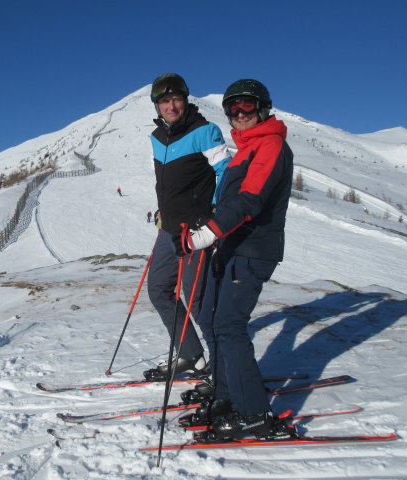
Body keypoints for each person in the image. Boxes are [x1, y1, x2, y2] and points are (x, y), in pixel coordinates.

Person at [174, 79, 294, 440]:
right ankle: (226, 397)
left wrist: (206, 235)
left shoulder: (271, 144)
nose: (239, 114)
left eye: (247, 106)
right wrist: (207, 225)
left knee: (229, 326)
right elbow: (230, 202)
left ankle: (254, 414)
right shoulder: (244, 148)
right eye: (232, 108)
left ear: (264, 107)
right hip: (230, 247)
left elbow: (250, 201)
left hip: (252, 250)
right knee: (212, 321)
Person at [144, 73, 232, 381]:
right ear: (157, 106)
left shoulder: (205, 132)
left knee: (197, 301)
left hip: (196, 233)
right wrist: (163, 211)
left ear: (186, 100)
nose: (171, 106)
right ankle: (192, 355)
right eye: (164, 101)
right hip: (169, 229)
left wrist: (212, 221)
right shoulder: (158, 138)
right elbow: (167, 183)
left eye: (176, 99)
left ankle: (225, 370)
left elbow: (228, 175)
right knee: (158, 290)